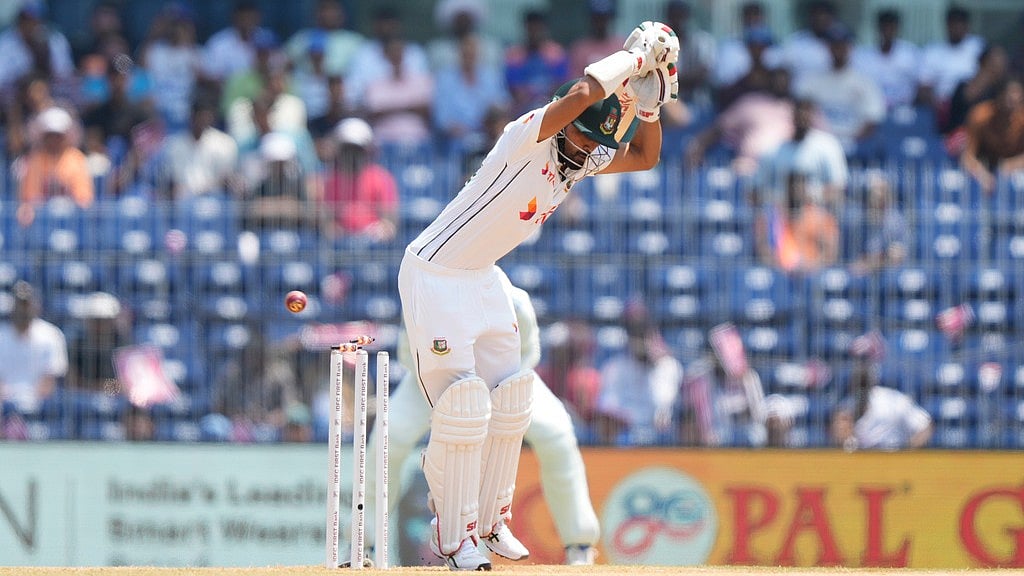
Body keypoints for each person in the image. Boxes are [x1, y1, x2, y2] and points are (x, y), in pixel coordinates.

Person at [397, 24, 677, 569]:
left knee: (512, 396)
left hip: (481, 274)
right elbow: (580, 96)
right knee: (463, 407)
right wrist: (631, 58)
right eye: (580, 138)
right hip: (434, 271)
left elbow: (643, 157)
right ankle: (453, 537)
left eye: (596, 144)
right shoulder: (525, 135)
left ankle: (491, 517)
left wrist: (648, 107)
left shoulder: (585, 158)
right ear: (562, 126)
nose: (587, 152)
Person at [365, 283, 601, 566]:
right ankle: (366, 544)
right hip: (430, 384)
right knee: (390, 437)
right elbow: (408, 355)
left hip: (504, 384)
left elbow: (527, 356)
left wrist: (497, 404)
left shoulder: (515, 300)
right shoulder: (423, 293)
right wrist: (452, 402)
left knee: (557, 433)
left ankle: (580, 545)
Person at [595, 298, 685, 446]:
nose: (640, 341)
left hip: (661, 438)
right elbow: (607, 406)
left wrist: (653, 365)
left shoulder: (670, 366)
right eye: (635, 334)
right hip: (624, 437)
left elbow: (664, 407)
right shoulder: (614, 367)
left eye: (644, 334)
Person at [795, 22, 886, 155]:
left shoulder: (865, 82)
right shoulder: (810, 81)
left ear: (850, 47)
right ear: (827, 47)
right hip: (817, 146)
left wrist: (851, 142)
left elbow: (873, 119)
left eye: (842, 45)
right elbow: (801, 114)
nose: (838, 49)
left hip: (855, 146)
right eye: (834, 45)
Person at [686, 66, 793, 176]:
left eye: (784, 81)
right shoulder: (751, 102)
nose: (780, 84)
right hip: (746, 170)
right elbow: (719, 128)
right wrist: (698, 147)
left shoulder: (794, 110)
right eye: (778, 80)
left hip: (784, 174)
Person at [831, 348, 933, 451]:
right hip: (861, 462)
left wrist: (908, 452)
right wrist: (846, 438)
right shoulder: (847, 405)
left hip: (894, 459)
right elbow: (841, 437)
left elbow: (925, 426)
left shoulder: (892, 400)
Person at [319, 117, 399, 244]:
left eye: (357, 150)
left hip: (374, 244)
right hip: (341, 245)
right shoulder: (330, 180)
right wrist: (336, 232)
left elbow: (389, 222)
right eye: (347, 150)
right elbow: (327, 221)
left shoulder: (381, 178)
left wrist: (377, 231)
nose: (352, 155)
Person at [756, 98, 848, 209]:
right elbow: (754, 192)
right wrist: (783, 198)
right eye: (798, 112)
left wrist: (808, 196)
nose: (802, 117)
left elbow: (839, 190)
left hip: (817, 217)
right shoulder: (774, 148)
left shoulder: (828, 145)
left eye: (806, 112)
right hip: (781, 216)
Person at [17, 106, 94, 227]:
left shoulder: (76, 158)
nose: (54, 140)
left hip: (72, 222)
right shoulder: (34, 160)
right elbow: (29, 198)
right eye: (50, 135)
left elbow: (84, 198)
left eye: (58, 136)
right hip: (42, 223)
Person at [0, 281, 68, 410]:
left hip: (41, 406)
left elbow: (50, 378)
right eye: (19, 304)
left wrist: (30, 402)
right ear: (12, 306)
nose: (23, 309)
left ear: (35, 305)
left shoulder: (51, 334)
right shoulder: (1, 335)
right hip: (4, 406)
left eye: (26, 304)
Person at [755, 171, 839, 273]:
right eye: (792, 188)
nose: (795, 192)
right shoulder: (769, 217)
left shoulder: (822, 217)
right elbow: (763, 249)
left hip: (812, 276)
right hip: (779, 275)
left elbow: (830, 252)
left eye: (800, 188)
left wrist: (812, 267)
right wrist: (779, 267)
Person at [917, 6, 985, 125]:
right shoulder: (933, 51)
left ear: (967, 25)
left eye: (960, 23)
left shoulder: (978, 47)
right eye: (953, 23)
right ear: (947, 25)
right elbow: (924, 86)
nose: (956, 28)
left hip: (971, 105)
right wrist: (937, 106)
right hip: (942, 107)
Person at [961, 76, 1024, 195]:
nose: (1013, 109)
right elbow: (967, 156)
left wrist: (1011, 165)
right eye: (1010, 101)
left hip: (1015, 171)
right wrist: (981, 174)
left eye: (1018, 102)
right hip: (984, 166)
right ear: (998, 97)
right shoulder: (980, 115)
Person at [851, 9, 920, 111]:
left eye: (891, 27)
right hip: (871, 110)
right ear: (878, 28)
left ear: (897, 28)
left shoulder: (910, 53)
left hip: (903, 110)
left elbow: (920, 85)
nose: (888, 31)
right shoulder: (863, 56)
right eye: (884, 27)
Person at [850, 171, 907, 275]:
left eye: (883, 190)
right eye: (875, 191)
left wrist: (872, 264)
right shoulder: (856, 220)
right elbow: (851, 260)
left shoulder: (896, 219)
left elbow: (897, 255)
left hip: (888, 272)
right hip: (860, 275)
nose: (879, 195)